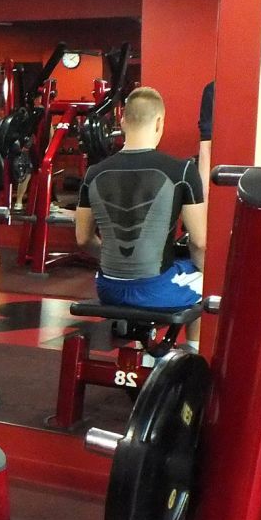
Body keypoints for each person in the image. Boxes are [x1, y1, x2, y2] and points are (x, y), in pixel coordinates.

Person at [75, 86, 206, 347]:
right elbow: (200, 243)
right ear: (160, 122)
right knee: (207, 282)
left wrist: (120, 267)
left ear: (122, 120)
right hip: (155, 289)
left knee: (168, 276)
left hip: (107, 288)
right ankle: (192, 354)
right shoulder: (183, 171)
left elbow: (82, 239)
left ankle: (140, 347)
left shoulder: (93, 173)